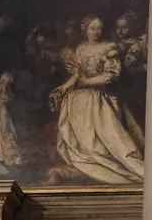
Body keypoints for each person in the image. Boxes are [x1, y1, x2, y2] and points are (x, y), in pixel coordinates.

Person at [50, 17, 145, 185]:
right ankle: (87, 163)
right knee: (79, 141)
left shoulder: (109, 47)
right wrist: (64, 87)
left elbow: (112, 76)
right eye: (92, 28)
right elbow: (77, 75)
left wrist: (87, 83)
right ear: (85, 30)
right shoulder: (80, 48)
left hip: (99, 98)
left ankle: (104, 163)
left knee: (106, 139)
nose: (96, 31)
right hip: (77, 100)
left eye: (99, 28)